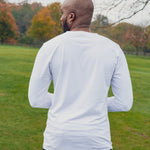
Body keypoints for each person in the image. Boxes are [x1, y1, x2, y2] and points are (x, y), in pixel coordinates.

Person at [28, 0, 133, 149]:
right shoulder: (113, 49)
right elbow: (124, 103)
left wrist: (68, 100)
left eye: (62, 13)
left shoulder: (50, 47)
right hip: (96, 141)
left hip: (58, 140)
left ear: (71, 17)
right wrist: (91, 102)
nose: (60, 18)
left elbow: (36, 99)